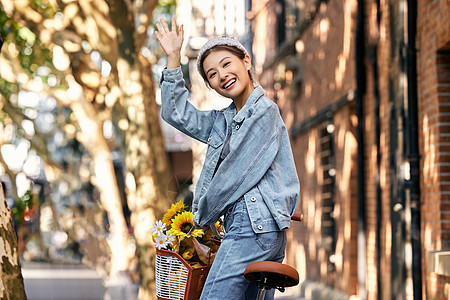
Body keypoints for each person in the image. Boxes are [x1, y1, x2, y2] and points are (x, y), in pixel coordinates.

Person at [155, 17, 300, 300]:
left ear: (246, 61)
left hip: (253, 227)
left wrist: (200, 217)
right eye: (211, 74)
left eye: (226, 64)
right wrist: (173, 58)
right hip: (247, 227)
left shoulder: (264, 112)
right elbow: (176, 114)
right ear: (211, 86)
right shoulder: (223, 122)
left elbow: (235, 174)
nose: (221, 75)